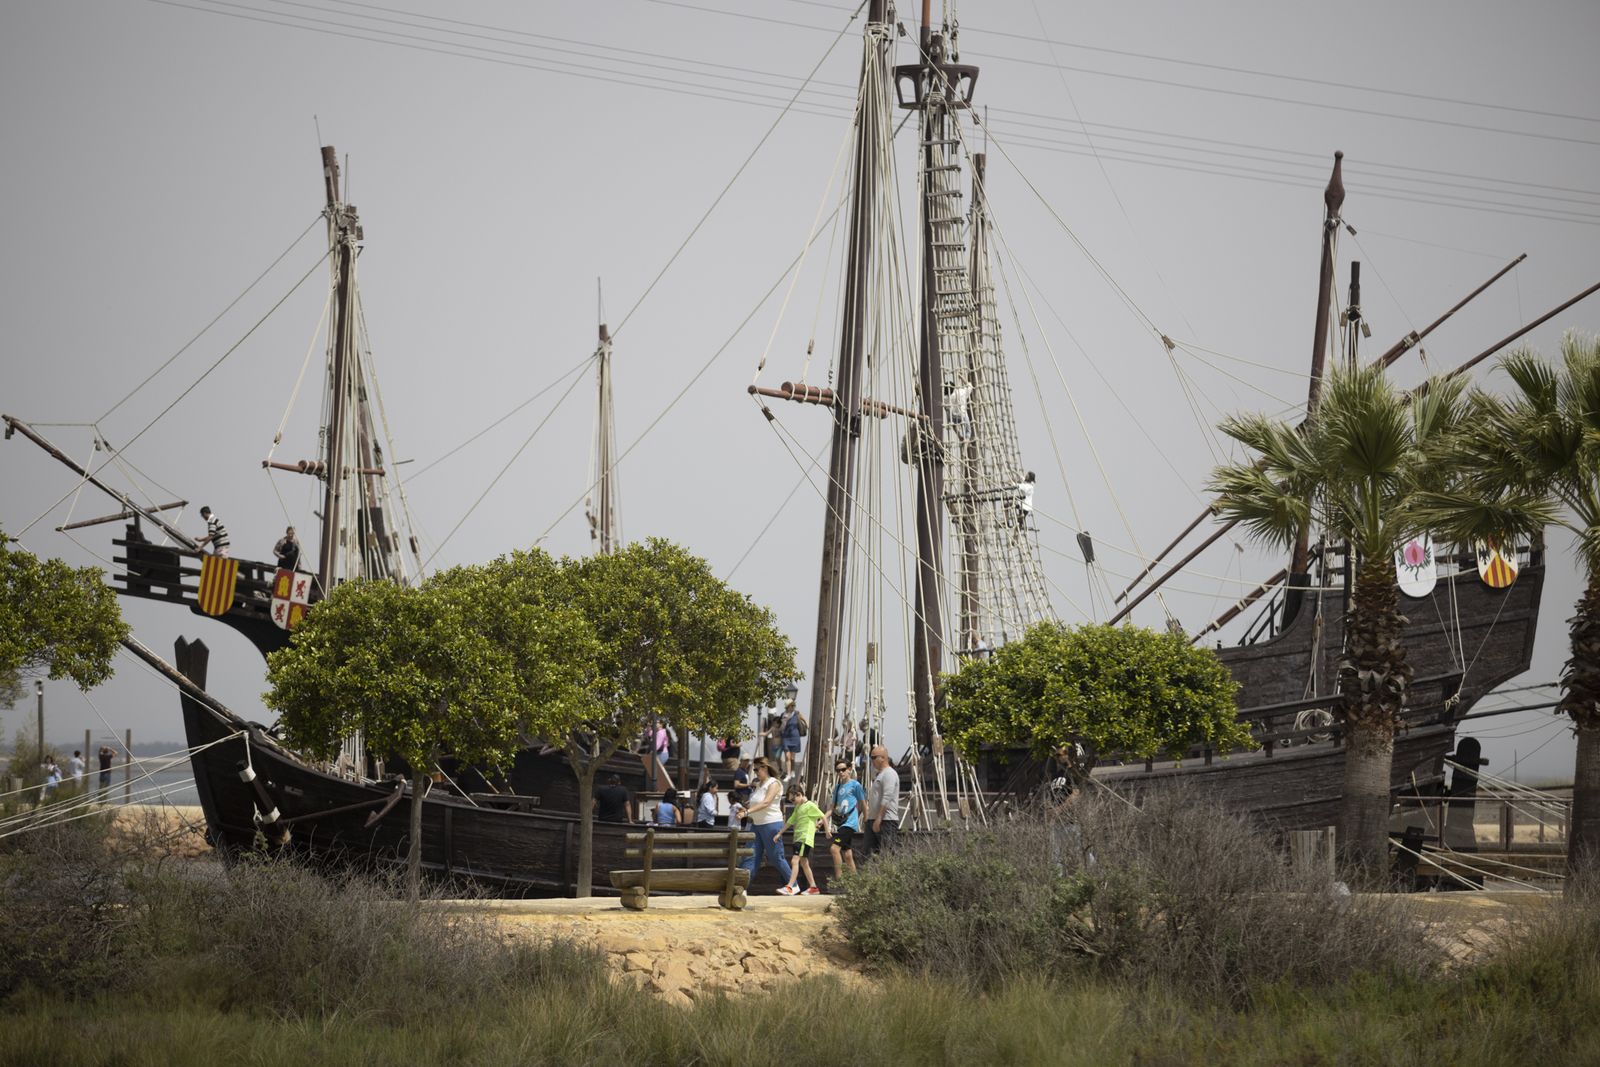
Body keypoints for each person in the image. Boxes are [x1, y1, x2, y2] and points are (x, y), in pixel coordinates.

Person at [736, 757, 792, 889]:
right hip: (756, 824)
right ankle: (741, 888)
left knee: (776, 857)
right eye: (753, 770)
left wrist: (746, 813)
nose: (755, 772)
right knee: (750, 856)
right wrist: (746, 807)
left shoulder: (774, 783)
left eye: (756, 769)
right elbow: (756, 802)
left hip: (771, 824)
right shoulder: (759, 785)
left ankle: (792, 884)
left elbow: (766, 802)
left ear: (765, 768)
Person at [777, 783, 827, 895]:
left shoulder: (810, 805)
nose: (792, 803)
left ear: (799, 794)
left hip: (804, 838)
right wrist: (779, 833)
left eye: (793, 800)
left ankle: (790, 886)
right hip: (798, 838)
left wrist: (827, 831)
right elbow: (790, 821)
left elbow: (823, 816)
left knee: (795, 861)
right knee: (804, 862)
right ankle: (813, 887)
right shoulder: (798, 807)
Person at [829, 759, 867, 878]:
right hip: (841, 823)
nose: (841, 772)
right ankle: (856, 883)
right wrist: (821, 821)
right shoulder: (837, 788)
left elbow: (863, 804)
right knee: (847, 854)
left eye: (843, 769)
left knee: (834, 849)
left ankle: (839, 881)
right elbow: (832, 808)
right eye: (838, 770)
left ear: (849, 770)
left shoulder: (855, 785)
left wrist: (866, 820)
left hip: (850, 823)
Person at [863, 745, 900, 857]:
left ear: (883, 758)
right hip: (873, 820)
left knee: (887, 854)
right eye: (871, 757)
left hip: (886, 821)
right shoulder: (880, 775)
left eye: (874, 757)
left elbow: (887, 797)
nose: (872, 760)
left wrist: (878, 819)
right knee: (868, 855)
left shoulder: (889, 774)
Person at [778, 700, 804, 781]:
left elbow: (804, 720)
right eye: (791, 705)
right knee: (787, 756)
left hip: (795, 737)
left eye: (793, 705)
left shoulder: (797, 713)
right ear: (787, 706)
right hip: (785, 737)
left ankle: (792, 770)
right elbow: (780, 726)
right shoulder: (783, 715)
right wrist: (784, 722)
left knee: (792, 758)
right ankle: (788, 774)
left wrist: (808, 726)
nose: (792, 707)